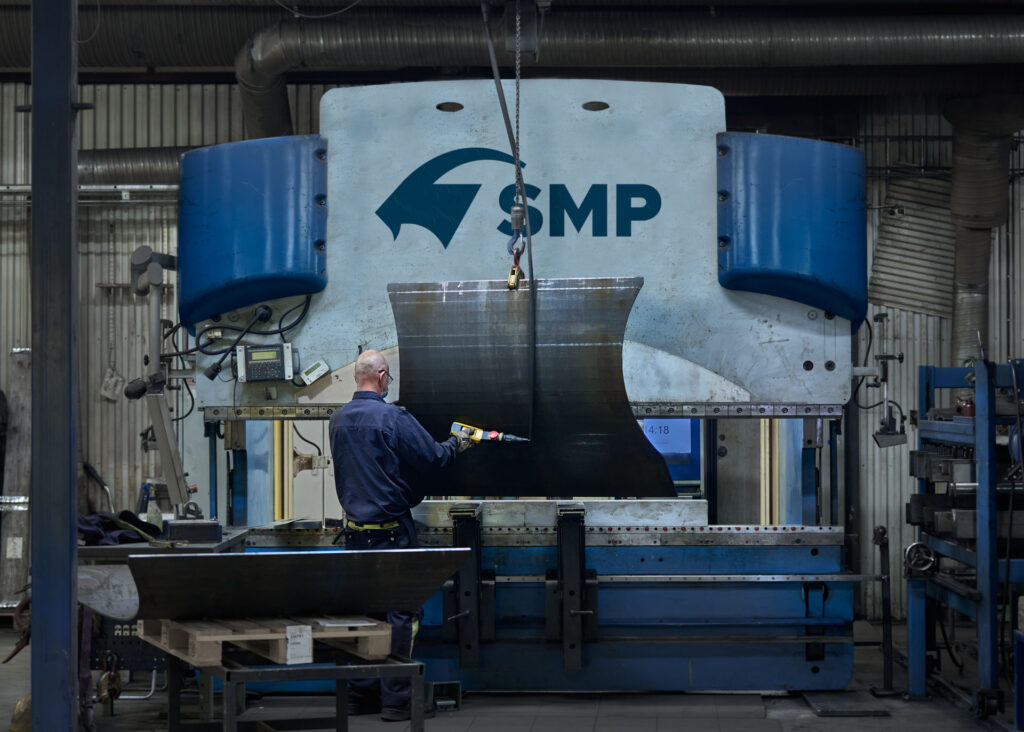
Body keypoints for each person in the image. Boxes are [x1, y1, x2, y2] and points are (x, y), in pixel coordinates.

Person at [328, 349, 473, 722]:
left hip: (354, 536)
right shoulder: (393, 418)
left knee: (365, 615)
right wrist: (460, 443)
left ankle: (361, 697)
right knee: (400, 616)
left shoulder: (338, 420)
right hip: (392, 534)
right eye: (387, 378)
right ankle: (398, 700)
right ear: (381, 376)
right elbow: (433, 458)